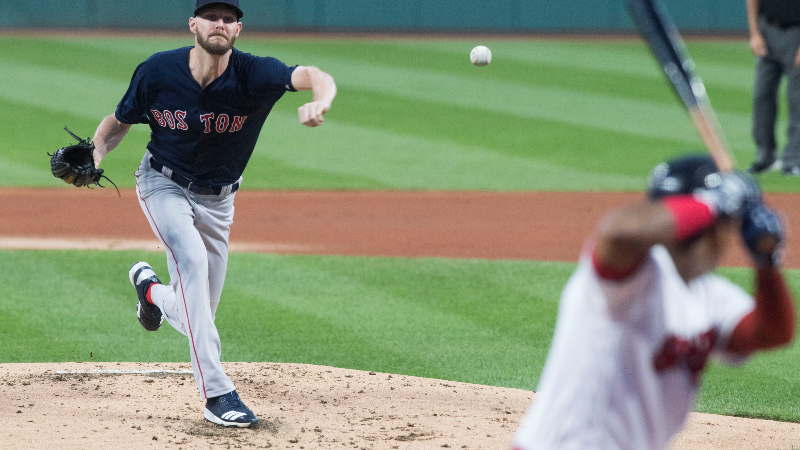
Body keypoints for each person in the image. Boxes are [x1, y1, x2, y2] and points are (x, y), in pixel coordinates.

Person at [90, 0, 336, 428]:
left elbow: (316, 75)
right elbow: (120, 121)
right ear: (193, 24)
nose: (219, 24)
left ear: (238, 30)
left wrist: (321, 100)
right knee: (192, 260)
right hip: (161, 184)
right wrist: (95, 154)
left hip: (219, 202)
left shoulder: (255, 74)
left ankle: (148, 289)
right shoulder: (157, 71)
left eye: (228, 19)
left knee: (193, 313)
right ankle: (218, 395)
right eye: (211, 17)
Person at [511, 154, 795, 450]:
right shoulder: (630, 279)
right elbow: (621, 232)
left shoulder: (710, 295)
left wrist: (767, 263)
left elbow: (771, 332)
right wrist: (715, 204)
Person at [746, 0, 800, 175]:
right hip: (767, 29)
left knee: (797, 100)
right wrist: (754, 33)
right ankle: (766, 156)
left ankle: (794, 159)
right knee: (762, 96)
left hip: (796, 33)